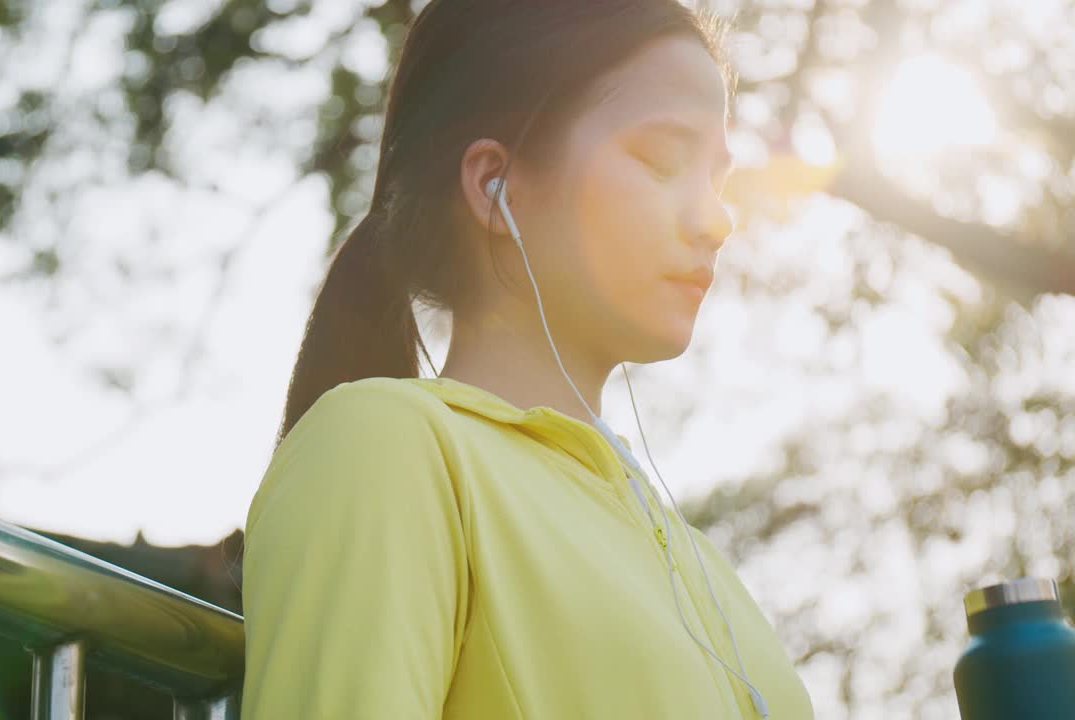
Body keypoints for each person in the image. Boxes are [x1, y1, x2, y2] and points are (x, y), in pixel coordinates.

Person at [240, 0, 816, 717]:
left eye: (719, 181)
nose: (718, 219)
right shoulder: (388, 448)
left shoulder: (708, 573)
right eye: (664, 160)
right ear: (494, 185)